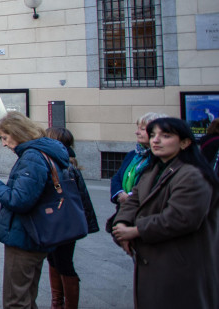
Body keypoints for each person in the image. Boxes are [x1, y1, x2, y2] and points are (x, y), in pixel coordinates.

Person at [111, 117, 219, 309]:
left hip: (181, 264)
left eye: (165, 135)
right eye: (153, 135)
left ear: (185, 142)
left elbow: (181, 218)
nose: (155, 140)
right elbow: (133, 200)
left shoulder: (193, 174)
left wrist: (136, 231)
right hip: (155, 262)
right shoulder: (153, 169)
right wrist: (121, 224)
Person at [0, 112, 72, 309]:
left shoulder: (32, 156)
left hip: (26, 235)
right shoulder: (41, 152)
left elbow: (19, 200)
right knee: (27, 296)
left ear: (18, 133)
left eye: (4, 137)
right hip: (36, 233)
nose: (3, 143)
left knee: (16, 300)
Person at [42, 127, 97, 309]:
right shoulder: (64, 161)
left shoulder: (64, 165)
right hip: (62, 220)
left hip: (64, 221)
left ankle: (65, 304)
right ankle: (57, 301)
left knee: (64, 262)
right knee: (54, 260)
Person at [110, 112, 168, 206]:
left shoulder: (162, 159)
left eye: (142, 129)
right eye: (138, 128)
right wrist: (119, 193)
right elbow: (117, 177)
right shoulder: (132, 154)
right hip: (124, 210)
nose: (137, 132)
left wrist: (130, 198)